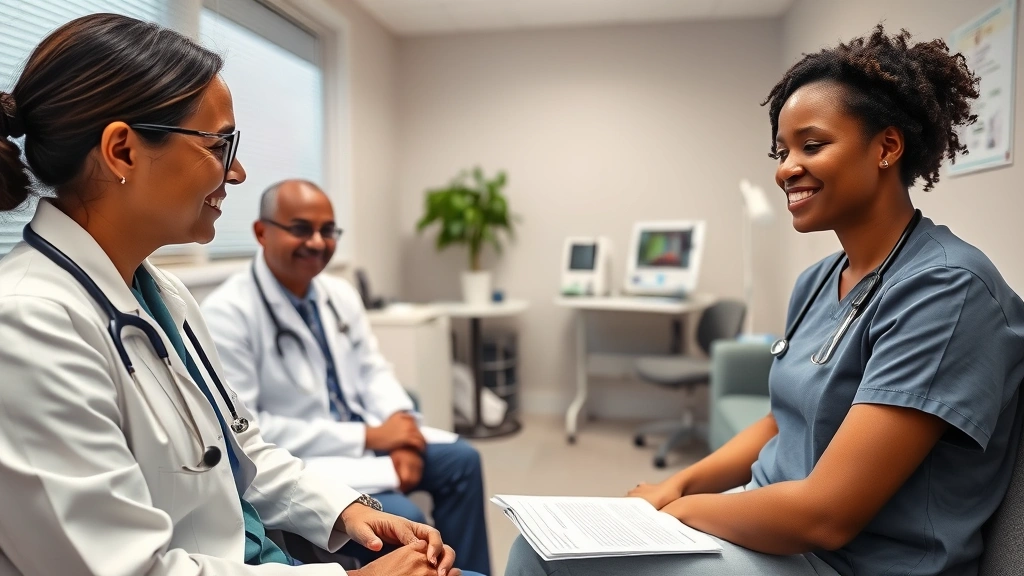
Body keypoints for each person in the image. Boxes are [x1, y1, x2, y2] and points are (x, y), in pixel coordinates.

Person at [507, 24, 1024, 576]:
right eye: (782, 151)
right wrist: (676, 482)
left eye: (812, 145)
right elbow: (784, 421)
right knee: (543, 540)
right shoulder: (821, 280)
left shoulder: (946, 291)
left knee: (543, 558)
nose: (785, 169)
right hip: (776, 530)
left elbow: (826, 517)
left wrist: (679, 512)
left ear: (887, 147)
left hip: (848, 562)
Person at [0, 13, 477, 576]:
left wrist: (347, 508)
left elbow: (241, 449)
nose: (240, 172)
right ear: (123, 151)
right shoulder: (28, 325)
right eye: (220, 144)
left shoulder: (162, 294)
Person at [201, 179, 491, 574]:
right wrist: (372, 438)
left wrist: (403, 431)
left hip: (369, 436)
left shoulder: (339, 295)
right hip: (308, 457)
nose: (318, 242)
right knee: (403, 519)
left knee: (463, 460)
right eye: (301, 228)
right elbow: (252, 432)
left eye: (328, 230)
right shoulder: (227, 312)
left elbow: (374, 370)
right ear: (261, 232)